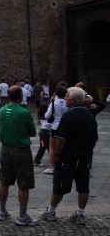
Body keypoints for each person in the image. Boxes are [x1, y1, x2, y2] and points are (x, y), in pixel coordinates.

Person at [39, 87, 98, 225]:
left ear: (72, 100)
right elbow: (94, 138)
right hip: (85, 157)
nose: (65, 99)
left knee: (59, 184)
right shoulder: (90, 115)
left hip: (69, 157)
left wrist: (57, 154)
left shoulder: (69, 116)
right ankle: (80, 214)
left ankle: (51, 211)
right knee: (83, 186)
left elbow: (61, 140)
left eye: (66, 97)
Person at [0, 86, 39, 226]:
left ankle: (2, 212)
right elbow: (33, 132)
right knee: (23, 183)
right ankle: (22, 216)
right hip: (21, 151)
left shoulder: (2, 110)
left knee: (4, 181)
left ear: (9, 96)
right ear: (21, 96)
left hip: (5, 149)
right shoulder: (24, 112)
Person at [42, 85, 68, 175]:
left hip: (55, 127)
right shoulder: (67, 102)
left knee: (52, 148)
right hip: (65, 127)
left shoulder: (54, 103)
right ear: (66, 94)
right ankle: (63, 165)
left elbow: (47, 116)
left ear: (56, 93)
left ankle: (52, 167)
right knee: (64, 147)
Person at [33, 101, 52, 166]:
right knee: (50, 147)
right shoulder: (47, 115)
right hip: (46, 133)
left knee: (43, 146)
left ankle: (37, 160)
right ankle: (52, 163)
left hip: (42, 132)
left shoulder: (41, 114)